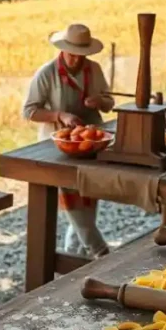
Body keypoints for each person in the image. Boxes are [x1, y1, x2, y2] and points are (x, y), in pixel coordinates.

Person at [22, 23, 114, 258]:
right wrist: (59, 115)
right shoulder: (47, 73)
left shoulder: (93, 69)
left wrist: (100, 102)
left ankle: (72, 257)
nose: (76, 59)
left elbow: (109, 101)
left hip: (92, 144)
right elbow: (30, 111)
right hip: (59, 148)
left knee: (87, 200)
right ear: (63, 49)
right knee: (73, 201)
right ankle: (100, 252)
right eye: (72, 54)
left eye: (80, 55)